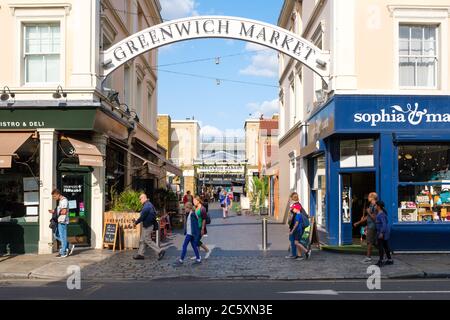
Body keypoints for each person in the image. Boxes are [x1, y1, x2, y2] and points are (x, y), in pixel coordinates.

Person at [133, 193, 166, 261]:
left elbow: (142, 217)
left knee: (147, 240)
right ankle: (140, 254)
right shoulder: (147, 204)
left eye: (140, 199)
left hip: (148, 225)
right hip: (147, 225)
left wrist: (136, 222)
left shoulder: (147, 206)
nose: (140, 201)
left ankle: (160, 251)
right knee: (142, 240)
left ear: (144, 198)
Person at [354, 192, 378, 264]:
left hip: (373, 226)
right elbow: (367, 217)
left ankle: (368, 258)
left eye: (369, 197)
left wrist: (368, 212)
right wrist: (358, 222)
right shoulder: (371, 205)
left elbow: (375, 218)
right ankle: (385, 255)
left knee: (369, 242)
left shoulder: (376, 206)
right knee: (372, 242)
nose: (367, 198)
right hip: (370, 225)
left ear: (372, 198)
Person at [50, 189, 75, 258]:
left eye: (54, 196)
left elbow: (64, 212)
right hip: (60, 220)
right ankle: (69, 246)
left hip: (62, 221)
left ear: (58, 194)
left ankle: (63, 252)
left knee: (62, 236)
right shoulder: (61, 201)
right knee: (56, 235)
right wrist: (53, 211)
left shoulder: (64, 201)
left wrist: (55, 212)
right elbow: (60, 210)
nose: (54, 198)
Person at [192, 196, 212, 260]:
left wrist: (203, 229)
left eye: (194, 201)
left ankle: (207, 250)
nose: (193, 202)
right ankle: (197, 255)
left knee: (196, 241)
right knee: (196, 241)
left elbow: (204, 219)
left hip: (200, 227)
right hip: (195, 227)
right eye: (193, 201)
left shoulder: (202, 208)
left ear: (198, 201)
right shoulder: (195, 207)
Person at [375, 200, 394, 267]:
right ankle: (389, 260)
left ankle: (381, 260)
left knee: (381, 247)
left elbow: (384, 224)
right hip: (383, 232)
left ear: (379, 206)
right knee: (385, 246)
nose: (375, 207)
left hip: (382, 232)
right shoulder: (381, 213)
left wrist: (381, 233)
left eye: (376, 205)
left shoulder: (381, 214)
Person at [286, 192, 300, 259]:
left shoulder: (297, 205)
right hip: (292, 225)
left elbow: (297, 212)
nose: (290, 199)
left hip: (295, 226)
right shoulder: (294, 205)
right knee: (291, 240)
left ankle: (293, 254)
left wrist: (291, 208)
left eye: (291, 198)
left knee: (292, 240)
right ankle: (293, 254)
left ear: (293, 198)